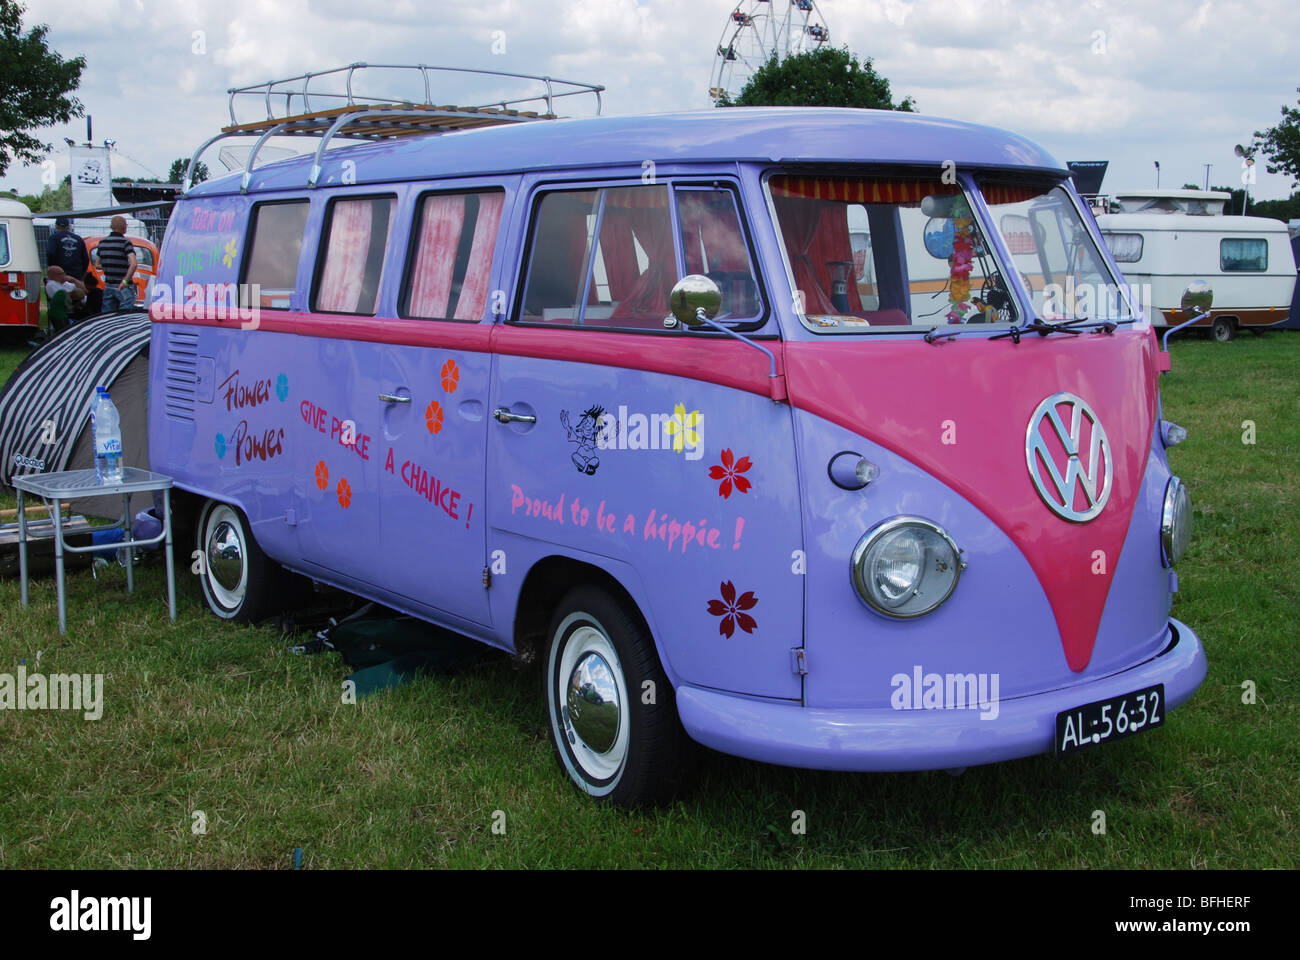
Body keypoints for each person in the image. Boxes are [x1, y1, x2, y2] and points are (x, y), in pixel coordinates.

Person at [97, 215, 138, 313]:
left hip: (108, 285)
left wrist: (108, 266)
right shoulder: (125, 242)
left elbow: (97, 264)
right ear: (124, 226)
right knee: (125, 317)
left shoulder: (102, 243)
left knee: (108, 316)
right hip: (124, 287)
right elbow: (134, 264)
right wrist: (125, 281)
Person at [44, 265, 86, 334]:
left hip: (76, 305)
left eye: (64, 273)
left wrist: (74, 280)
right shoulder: (51, 285)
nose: (64, 275)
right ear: (52, 276)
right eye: (60, 274)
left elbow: (85, 290)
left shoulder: (66, 283)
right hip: (66, 309)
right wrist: (76, 294)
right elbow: (63, 297)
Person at [45, 217, 89, 281]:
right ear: (68, 226)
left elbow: (50, 253)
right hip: (76, 274)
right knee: (75, 290)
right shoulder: (78, 239)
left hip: (59, 275)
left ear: (56, 226)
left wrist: (52, 267)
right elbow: (86, 259)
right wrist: (81, 272)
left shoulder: (53, 238)